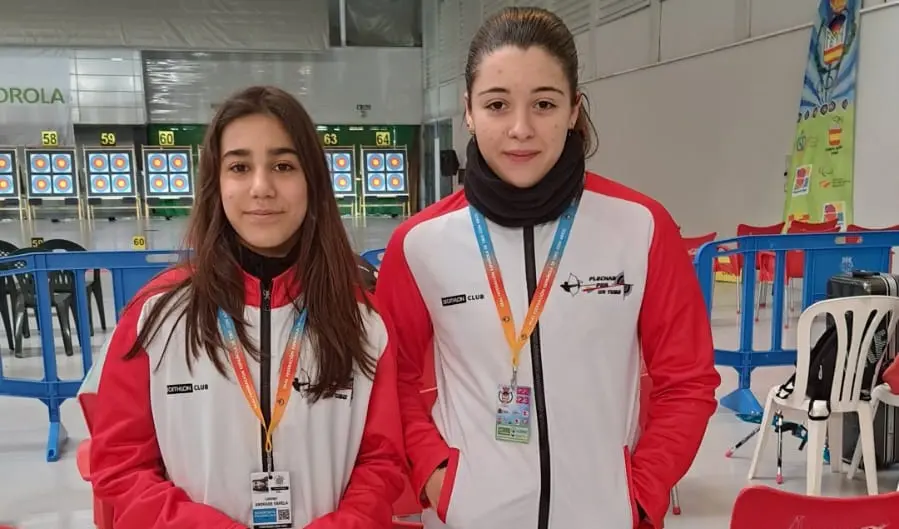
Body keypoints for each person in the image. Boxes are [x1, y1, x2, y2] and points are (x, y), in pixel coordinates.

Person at [375, 7, 720, 529]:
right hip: (468, 516)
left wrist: (641, 492)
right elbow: (391, 380)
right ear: (468, 111)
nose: (521, 129)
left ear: (574, 110)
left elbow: (688, 381)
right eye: (497, 105)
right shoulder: (419, 244)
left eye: (543, 103)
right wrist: (438, 477)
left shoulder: (641, 227)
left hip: (604, 515)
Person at [78, 86, 405, 529]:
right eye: (239, 166)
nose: (261, 187)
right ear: (217, 183)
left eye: (283, 165)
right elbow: (120, 464)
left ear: (313, 180)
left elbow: (382, 460)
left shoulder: (362, 318)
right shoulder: (155, 315)